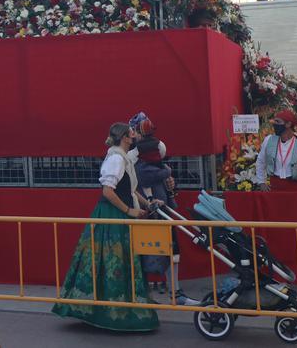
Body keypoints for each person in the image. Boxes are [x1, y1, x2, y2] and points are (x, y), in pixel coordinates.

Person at [52, 122, 159, 332]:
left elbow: (129, 189)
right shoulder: (117, 159)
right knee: (112, 261)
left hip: (117, 214)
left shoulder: (122, 158)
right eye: (132, 133)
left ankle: (113, 307)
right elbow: (108, 191)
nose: (135, 135)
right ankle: (112, 311)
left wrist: (149, 203)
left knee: (114, 261)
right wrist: (129, 211)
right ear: (125, 138)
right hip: (113, 216)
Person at [129, 114, 199, 306]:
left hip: (162, 206)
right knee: (144, 252)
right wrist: (165, 173)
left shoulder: (152, 157)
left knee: (171, 249)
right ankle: (144, 294)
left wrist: (169, 181)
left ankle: (174, 292)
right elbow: (137, 182)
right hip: (146, 209)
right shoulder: (131, 159)